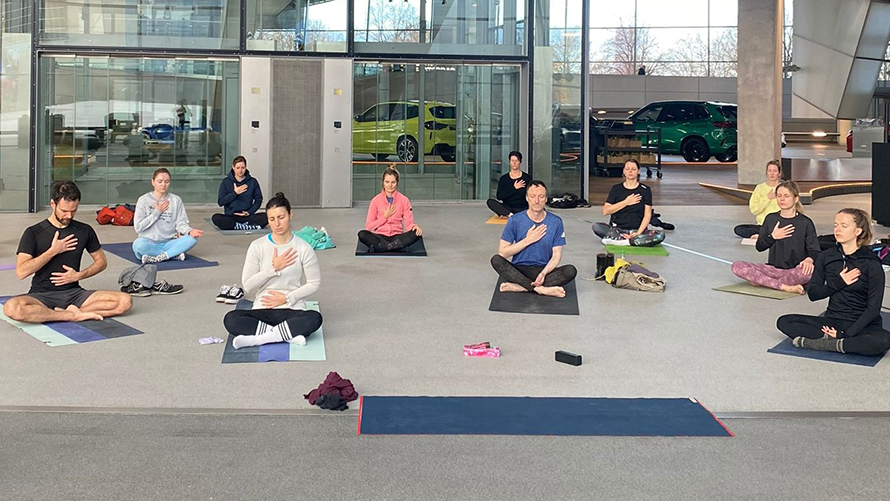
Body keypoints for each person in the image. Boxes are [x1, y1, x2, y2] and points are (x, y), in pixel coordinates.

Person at [3, 181, 132, 323]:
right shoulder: (33, 233)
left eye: (73, 211)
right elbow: (21, 272)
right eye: (64, 211)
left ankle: (67, 312)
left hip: (74, 294)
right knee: (12, 308)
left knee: (125, 301)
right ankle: (70, 315)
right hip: (41, 295)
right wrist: (53, 251)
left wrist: (79, 275)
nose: (69, 216)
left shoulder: (84, 230)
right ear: (53, 204)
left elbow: (101, 262)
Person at [777, 208, 890, 356]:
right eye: (836, 225)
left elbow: (873, 309)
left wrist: (845, 334)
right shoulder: (826, 257)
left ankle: (829, 343)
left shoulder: (871, 264)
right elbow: (813, 294)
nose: (838, 229)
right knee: (784, 322)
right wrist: (839, 282)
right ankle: (840, 344)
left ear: (857, 231)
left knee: (883, 340)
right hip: (832, 321)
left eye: (844, 226)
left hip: (862, 325)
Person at [224, 192, 323, 349]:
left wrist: (288, 297)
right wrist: (272, 269)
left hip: (291, 308)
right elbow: (248, 285)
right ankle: (286, 336)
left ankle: (261, 338)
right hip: (263, 308)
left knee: (314, 318)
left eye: (281, 217)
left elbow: (314, 283)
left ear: (290, 215)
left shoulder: (304, 247)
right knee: (231, 319)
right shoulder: (257, 246)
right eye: (272, 219)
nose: (277, 224)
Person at [490, 180, 577, 298]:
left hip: (543, 270)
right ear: (527, 198)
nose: (537, 201)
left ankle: (522, 287)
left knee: (570, 271)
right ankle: (540, 289)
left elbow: (556, 255)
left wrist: (543, 273)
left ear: (546, 199)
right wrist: (528, 240)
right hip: (519, 270)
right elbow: (503, 253)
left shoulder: (556, 222)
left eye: (541, 197)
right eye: (533, 196)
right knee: (496, 260)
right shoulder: (515, 220)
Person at [730, 181, 820, 294]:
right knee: (737, 266)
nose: (782, 199)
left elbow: (815, 250)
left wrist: (809, 260)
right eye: (779, 196)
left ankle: (765, 282)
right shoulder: (771, 219)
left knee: (807, 273)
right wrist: (773, 237)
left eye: (786, 196)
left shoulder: (806, 222)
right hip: (773, 270)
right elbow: (759, 247)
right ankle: (785, 287)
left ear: (796, 198)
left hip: (795, 270)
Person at [133, 168, 203, 263]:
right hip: (149, 242)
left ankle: (160, 256)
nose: (163, 184)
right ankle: (172, 254)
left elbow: (181, 223)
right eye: (160, 181)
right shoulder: (143, 200)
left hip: (169, 242)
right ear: (153, 182)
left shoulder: (176, 200)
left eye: (167, 181)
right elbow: (138, 227)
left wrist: (190, 231)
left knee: (192, 240)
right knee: (138, 245)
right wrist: (156, 213)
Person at [591, 158, 665, 247]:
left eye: (633, 169)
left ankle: (625, 241)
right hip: (618, 230)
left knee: (660, 235)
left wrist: (638, 233)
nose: (630, 171)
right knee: (597, 226)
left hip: (638, 230)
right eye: (627, 169)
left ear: (638, 171)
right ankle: (628, 240)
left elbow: (647, 215)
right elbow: (606, 211)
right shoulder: (616, 189)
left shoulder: (645, 190)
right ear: (624, 171)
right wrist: (626, 202)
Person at [358, 166, 423, 252]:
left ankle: (385, 247)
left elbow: (408, 224)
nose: (390, 185)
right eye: (387, 182)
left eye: (393, 182)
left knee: (416, 234)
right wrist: (384, 217)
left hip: (397, 236)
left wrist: (415, 226)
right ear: (383, 182)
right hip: (380, 236)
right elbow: (369, 226)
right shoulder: (375, 201)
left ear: (397, 183)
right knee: (362, 234)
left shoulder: (404, 200)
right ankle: (394, 246)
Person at [211, 155, 267, 230]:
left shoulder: (252, 182)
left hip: (247, 216)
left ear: (246, 167)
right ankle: (245, 226)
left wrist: (249, 212)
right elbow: (221, 202)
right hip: (231, 216)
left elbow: (258, 199)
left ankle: (238, 226)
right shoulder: (226, 182)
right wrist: (235, 193)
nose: (240, 170)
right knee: (216, 218)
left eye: (243, 168)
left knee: (267, 216)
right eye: (238, 168)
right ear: (233, 167)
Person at [734, 159, 782, 238]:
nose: (772, 173)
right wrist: (767, 198)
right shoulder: (760, 188)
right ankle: (766, 234)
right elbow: (754, 210)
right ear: (766, 172)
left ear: (779, 173)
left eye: (775, 171)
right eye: (770, 171)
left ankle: (765, 235)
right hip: (762, 225)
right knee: (739, 229)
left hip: (779, 225)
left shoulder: (783, 188)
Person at [487, 151, 532, 217]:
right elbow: (499, 196)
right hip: (508, 208)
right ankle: (509, 214)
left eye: (516, 161)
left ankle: (519, 214)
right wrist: (514, 188)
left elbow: (531, 194)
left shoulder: (527, 178)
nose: (514, 163)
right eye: (512, 161)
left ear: (520, 162)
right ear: (509, 162)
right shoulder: (504, 179)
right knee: (490, 202)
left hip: (523, 207)